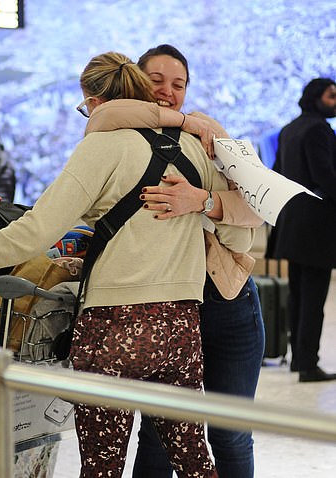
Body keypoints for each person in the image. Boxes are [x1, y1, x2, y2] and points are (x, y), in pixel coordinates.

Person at [0, 51, 254, 477]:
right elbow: (240, 234)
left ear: (94, 102)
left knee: (102, 467)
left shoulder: (101, 146)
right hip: (180, 328)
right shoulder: (196, 149)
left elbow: (32, 233)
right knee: (194, 461)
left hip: (112, 329)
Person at [86, 44, 265, 478]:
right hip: (162, 307)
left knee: (230, 432)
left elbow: (255, 207)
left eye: (178, 84)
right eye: (156, 81)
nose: (167, 92)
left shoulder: (207, 135)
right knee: (161, 433)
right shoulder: (118, 132)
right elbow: (102, 116)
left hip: (225, 299)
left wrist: (201, 200)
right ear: (135, 83)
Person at [267, 77, 336, 382]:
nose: (335, 102)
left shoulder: (289, 129)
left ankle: (299, 360)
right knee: (313, 298)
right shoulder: (319, 128)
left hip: (292, 222)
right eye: (332, 96)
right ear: (316, 97)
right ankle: (307, 363)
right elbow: (325, 175)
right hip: (316, 226)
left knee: (298, 294)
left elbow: (278, 174)